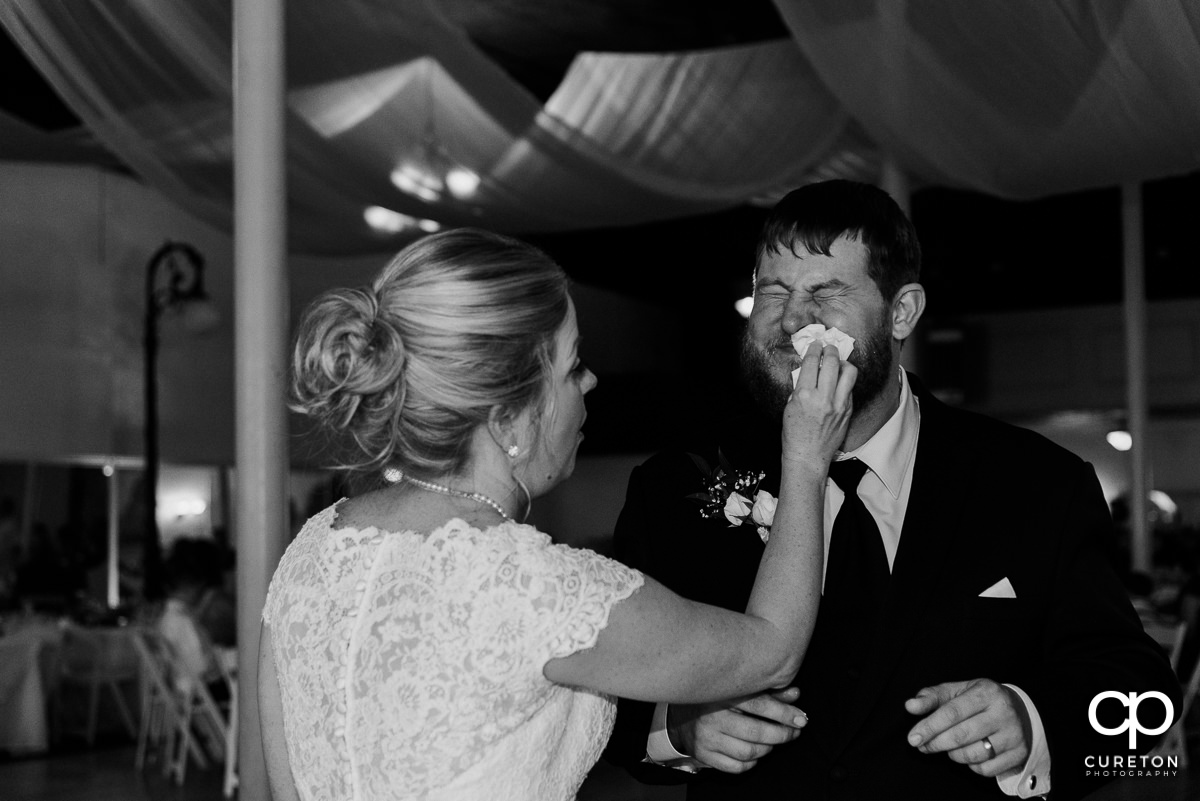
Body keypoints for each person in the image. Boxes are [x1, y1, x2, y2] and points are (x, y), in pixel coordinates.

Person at [604, 179, 1181, 801]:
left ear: (902, 312)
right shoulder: (675, 484)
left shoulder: (1038, 482)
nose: (793, 318)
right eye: (772, 292)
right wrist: (678, 726)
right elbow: (598, 689)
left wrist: (1033, 720)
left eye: (825, 292)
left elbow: (1143, 692)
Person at [258, 228, 858, 801]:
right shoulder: (533, 585)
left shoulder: (312, 553)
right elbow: (772, 649)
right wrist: (805, 459)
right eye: (572, 366)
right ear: (508, 416)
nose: (591, 381)